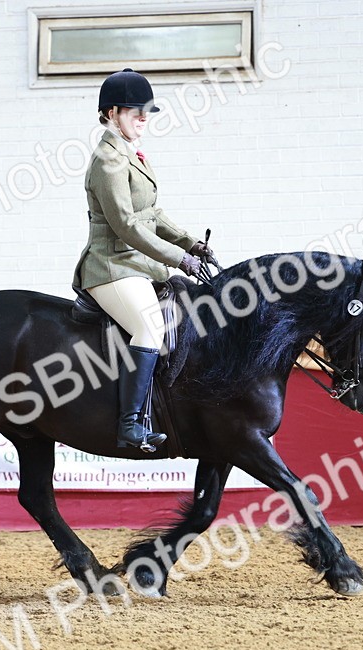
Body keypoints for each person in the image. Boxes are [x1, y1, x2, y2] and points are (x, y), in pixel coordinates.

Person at [73, 68, 218, 451]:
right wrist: (178, 259)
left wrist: (190, 244)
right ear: (111, 113)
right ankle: (129, 425)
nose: (143, 118)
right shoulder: (108, 161)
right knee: (150, 329)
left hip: (137, 265)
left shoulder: (132, 155)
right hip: (111, 266)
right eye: (135, 111)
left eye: (146, 112)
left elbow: (152, 213)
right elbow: (126, 225)